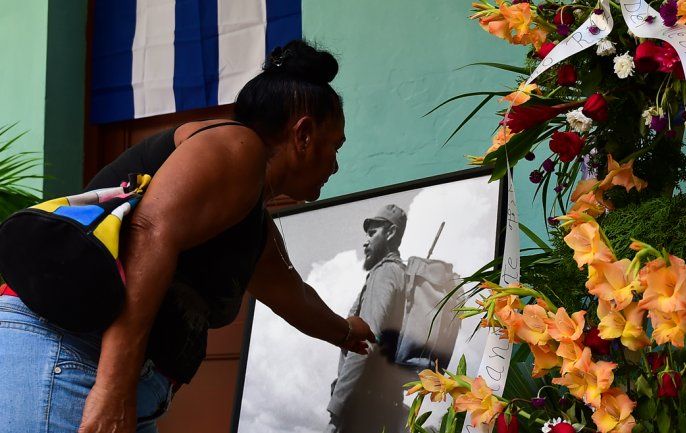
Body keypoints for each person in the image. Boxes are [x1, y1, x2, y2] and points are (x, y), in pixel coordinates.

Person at [0, 39, 376, 433]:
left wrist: (348, 332)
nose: (335, 164)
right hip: (67, 358)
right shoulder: (238, 146)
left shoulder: (250, 222)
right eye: (335, 146)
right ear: (303, 135)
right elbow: (150, 232)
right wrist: (113, 389)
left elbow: (293, 296)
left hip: (98, 373)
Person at [326, 204, 416, 433]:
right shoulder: (402, 275)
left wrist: (336, 413)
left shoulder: (384, 272)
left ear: (391, 233)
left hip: (364, 408)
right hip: (384, 402)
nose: (365, 242)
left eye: (372, 233)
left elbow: (366, 342)